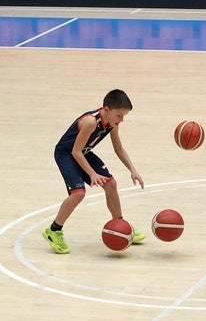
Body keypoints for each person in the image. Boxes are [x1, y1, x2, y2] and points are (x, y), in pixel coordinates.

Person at [42, 89, 145, 254]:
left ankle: (120, 226)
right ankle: (53, 230)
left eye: (124, 116)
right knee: (78, 193)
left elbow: (118, 148)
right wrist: (91, 173)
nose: (122, 120)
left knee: (111, 184)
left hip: (84, 153)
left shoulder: (112, 123)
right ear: (106, 110)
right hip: (66, 154)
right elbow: (75, 151)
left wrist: (133, 170)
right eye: (119, 115)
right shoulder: (90, 122)